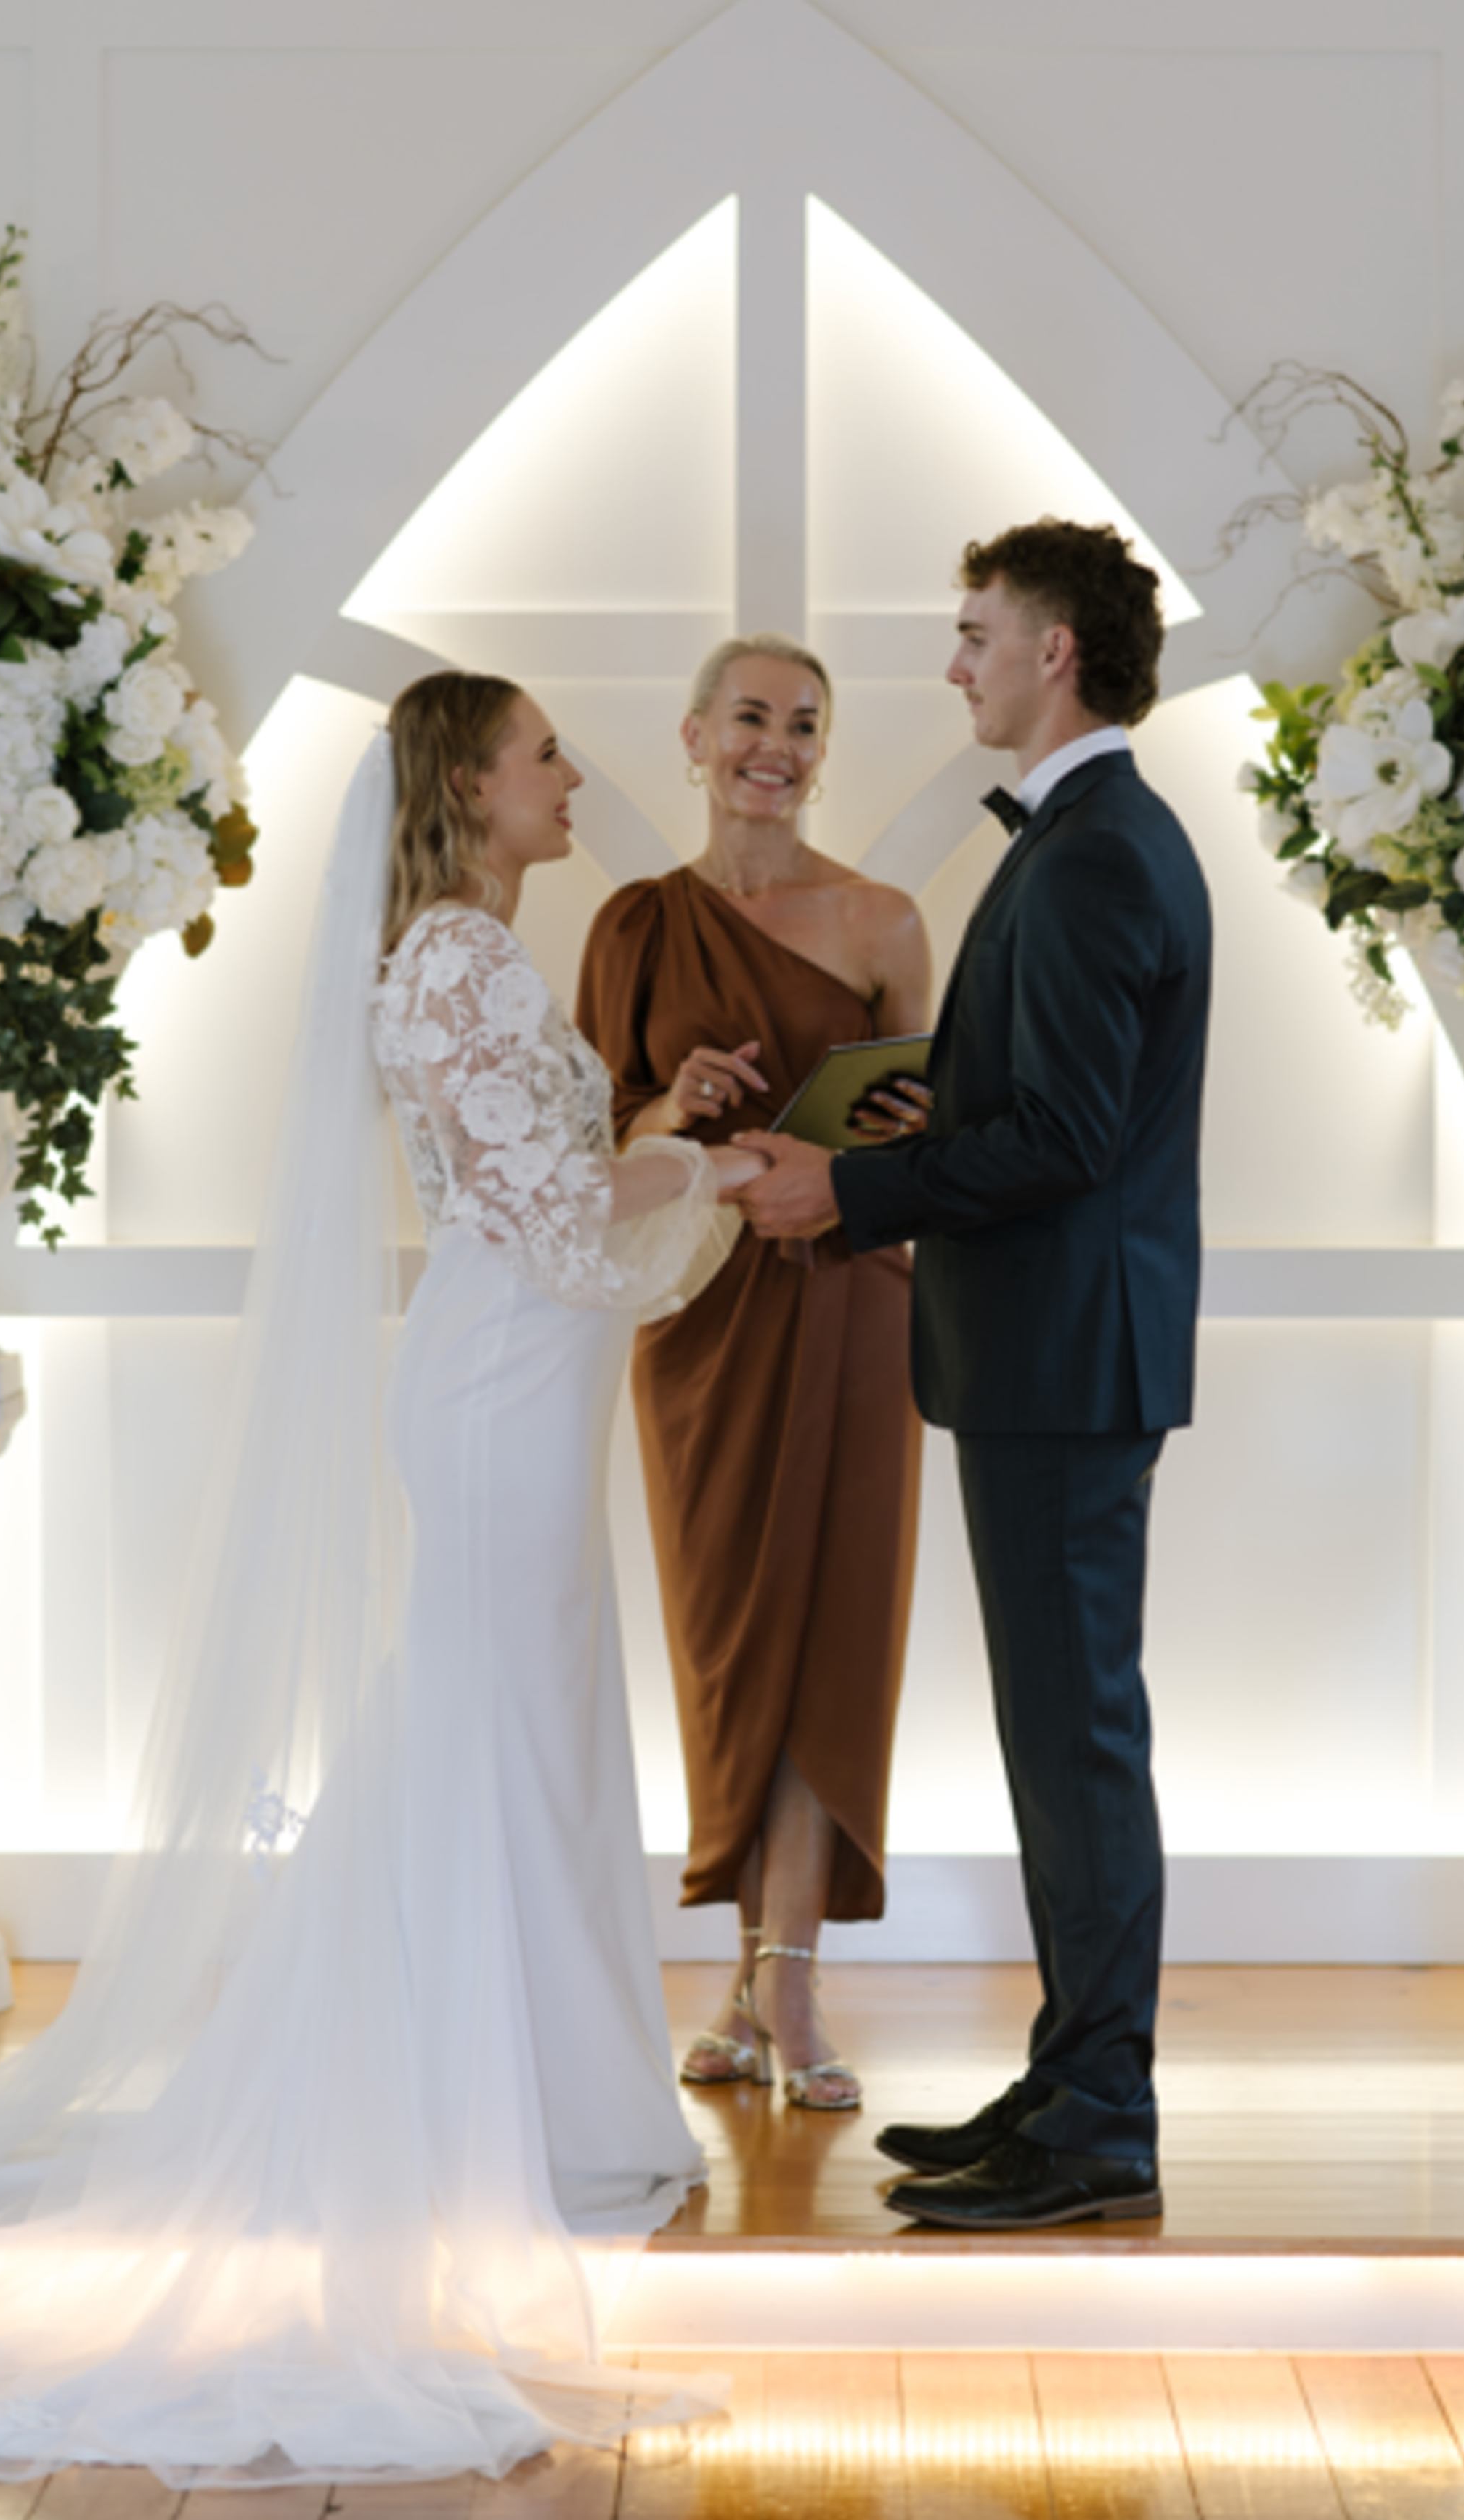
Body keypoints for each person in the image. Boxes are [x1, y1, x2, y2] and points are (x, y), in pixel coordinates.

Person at [0, 671, 764, 2488]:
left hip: (522, 1382)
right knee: (490, 1732)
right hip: (503, 1390)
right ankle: (487, 2119)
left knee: (522, 1734)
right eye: (540, 756)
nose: (568, 775)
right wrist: (714, 1161)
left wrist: (660, 1124)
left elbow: (546, 1175)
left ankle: (531, 2099)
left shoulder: (479, 957)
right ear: (467, 783)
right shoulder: (452, 960)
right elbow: (542, 1214)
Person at [739, 524, 1212, 2227]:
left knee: (1079, 1745)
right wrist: (924, 1109)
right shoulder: (1094, 838)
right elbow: (1044, 1101)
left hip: (1063, 1363)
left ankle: (1099, 2125)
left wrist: (849, 1187)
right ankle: (1072, 2077)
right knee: (1061, 1738)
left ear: (1055, 654)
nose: (955, 666)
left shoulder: (1094, 852)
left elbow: (1074, 1141)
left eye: (974, 635)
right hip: (1053, 1357)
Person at [576, 635, 930, 2110]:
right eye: (749, 719)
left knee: (829, 1632)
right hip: (699, 1326)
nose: (775, 745)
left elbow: (929, 1134)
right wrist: (680, 1100)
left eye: (803, 724)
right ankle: (740, 1968)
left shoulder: (882, 919)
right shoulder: (633, 925)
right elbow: (591, 1153)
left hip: (851, 1307)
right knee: (727, 1645)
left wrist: (840, 1147)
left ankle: (786, 1989)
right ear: (693, 735)